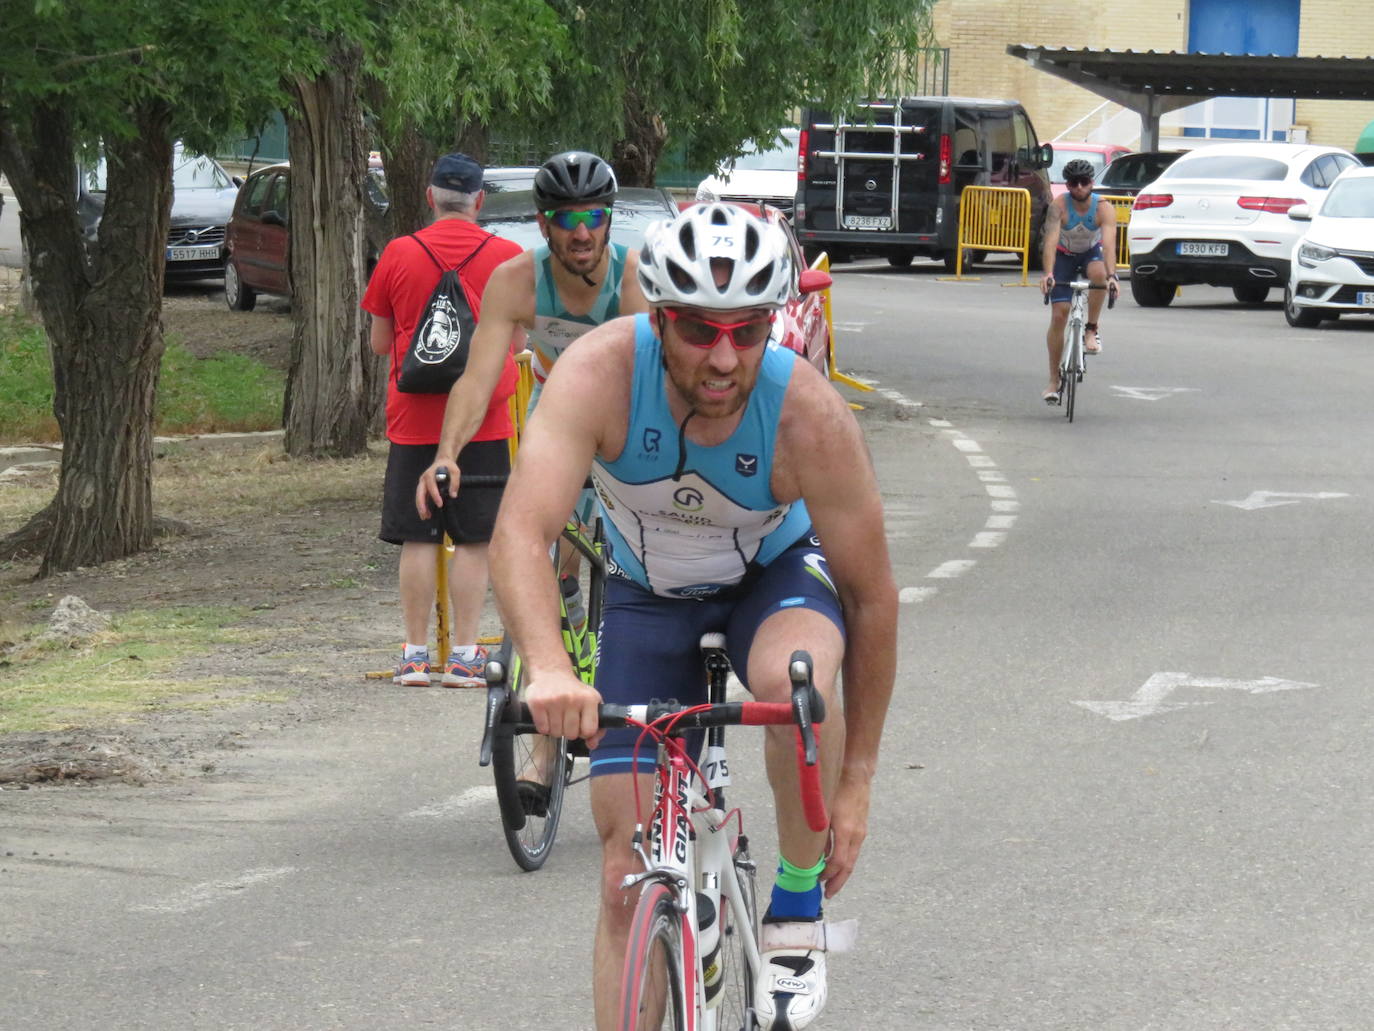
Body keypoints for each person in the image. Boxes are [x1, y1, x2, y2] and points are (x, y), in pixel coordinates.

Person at [487, 202, 898, 1030]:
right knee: (621, 876)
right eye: (700, 330)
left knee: (797, 685)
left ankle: (791, 908)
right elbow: (520, 532)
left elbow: (871, 595)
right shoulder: (600, 374)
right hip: (648, 598)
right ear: (660, 319)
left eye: (746, 332)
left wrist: (854, 783)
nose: (723, 356)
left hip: (772, 579)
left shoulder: (804, 412)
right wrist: (552, 666)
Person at [415, 151, 645, 697]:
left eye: (593, 216)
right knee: (542, 519)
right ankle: (564, 604)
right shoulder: (517, 281)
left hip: (625, 406)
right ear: (544, 225)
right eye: (567, 219)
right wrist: (446, 453)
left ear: (609, 219)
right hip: (558, 403)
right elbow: (474, 380)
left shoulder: (633, 279)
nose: (582, 231)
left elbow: (651, 380)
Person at [362, 152, 523, 687]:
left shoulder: (398, 253)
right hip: (484, 419)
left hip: (413, 418)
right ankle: (466, 656)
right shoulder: (507, 257)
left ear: (430, 197)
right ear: (480, 200)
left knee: (419, 537)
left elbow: (381, 341)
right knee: (475, 539)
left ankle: (413, 655)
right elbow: (517, 345)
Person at [1039, 157, 1119, 403]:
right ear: (1068, 185)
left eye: (1084, 182)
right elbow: (1050, 243)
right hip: (1063, 256)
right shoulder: (1059, 206)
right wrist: (1049, 274)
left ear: (1092, 183)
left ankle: (1091, 329)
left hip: (1090, 254)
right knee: (1059, 315)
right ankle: (1054, 380)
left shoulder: (1103, 207)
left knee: (1099, 275)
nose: (1079, 188)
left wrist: (1113, 276)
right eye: (1074, 183)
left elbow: (1108, 245)